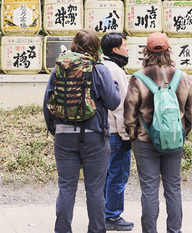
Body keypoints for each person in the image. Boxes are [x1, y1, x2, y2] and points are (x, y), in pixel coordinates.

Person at [43, 28, 121, 233]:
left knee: (66, 187)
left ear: (74, 45)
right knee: (95, 190)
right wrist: (114, 86)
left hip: (63, 136)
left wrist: (57, 129)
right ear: (96, 47)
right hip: (94, 136)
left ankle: (62, 230)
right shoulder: (99, 69)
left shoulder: (58, 68)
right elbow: (113, 103)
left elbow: (47, 103)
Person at [123, 32, 192, 233]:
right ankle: (175, 230)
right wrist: (181, 133)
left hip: (145, 142)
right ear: (168, 50)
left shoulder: (138, 79)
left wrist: (133, 135)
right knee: (173, 188)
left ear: (146, 51)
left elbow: (129, 113)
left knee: (149, 189)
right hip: (174, 141)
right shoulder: (183, 78)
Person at [100, 32, 135, 231]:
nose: (127, 48)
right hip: (115, 133)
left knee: (105, 176)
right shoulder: (115, 71)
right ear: (115, 49)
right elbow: (121, 107)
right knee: (117, 176)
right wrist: (126, 134)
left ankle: (103, 213)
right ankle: (112, 216)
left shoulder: (99, 66)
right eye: (125, 45)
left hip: (100, 132)